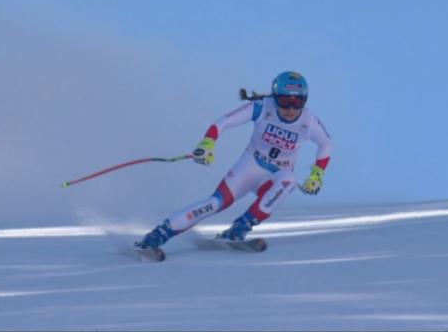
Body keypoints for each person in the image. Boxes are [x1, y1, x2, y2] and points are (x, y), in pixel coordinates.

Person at [135, 71, 333, 249]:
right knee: (214, 204)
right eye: (284, 101)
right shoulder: (262, 107)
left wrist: (317, 175)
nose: (290, 108)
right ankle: (160, 233)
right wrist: (207, 143)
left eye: (297, 102)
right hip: (250, 167)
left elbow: (326, 144)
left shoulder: (308, 121)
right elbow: (223, 122)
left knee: (289, 181)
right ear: (274, 98)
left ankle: (240, 227)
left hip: (275, 175)